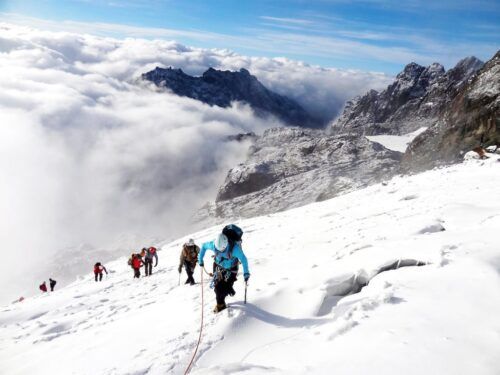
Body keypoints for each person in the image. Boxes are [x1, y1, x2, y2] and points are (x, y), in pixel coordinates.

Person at [198, 232, 250, 313]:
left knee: (223, 288)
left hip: (231, 269)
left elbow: (243, 259)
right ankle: (221, 304)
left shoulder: (235, 249)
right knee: (217, 288)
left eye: (222, 250)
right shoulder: (213, 245)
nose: (220, 251)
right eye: (218, 249)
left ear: (226, 245)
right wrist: (200, 260)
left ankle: (227, 291)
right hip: (218, 266)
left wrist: (246, 273)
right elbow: (204, 246)